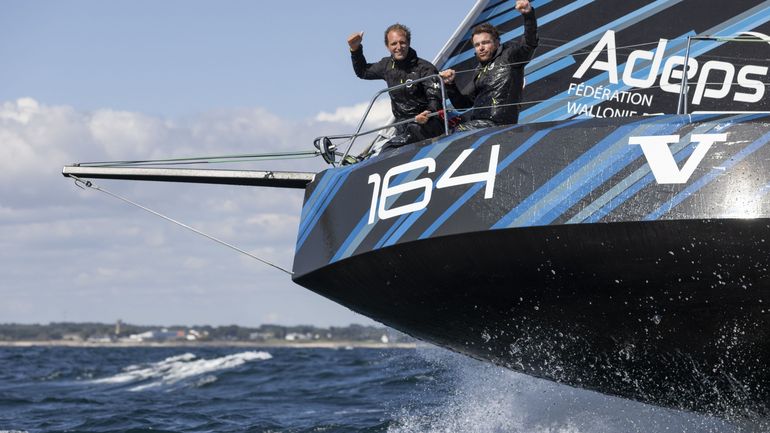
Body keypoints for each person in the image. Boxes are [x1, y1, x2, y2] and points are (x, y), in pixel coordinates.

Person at [440, 0, 538, 130]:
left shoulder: (509, 56)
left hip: (499, 125)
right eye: (477, 45)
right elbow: (462, 104)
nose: (481, 48)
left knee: (455, 134)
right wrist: (450, 85)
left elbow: (529, 44)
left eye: (485, 43)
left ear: (497, 43)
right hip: (479, 125)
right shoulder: (480, 71)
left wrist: (528, 15)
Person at [348, 24, 444, 153]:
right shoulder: (386, 65)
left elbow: (435, 99)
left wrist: (428, 113)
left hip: (427, 125)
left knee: (388, 150)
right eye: (394, 44)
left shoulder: (425, 68)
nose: (399, 47)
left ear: (409, 43)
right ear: (387, 47)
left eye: (402, 42)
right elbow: (363, 72)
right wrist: (355, 50)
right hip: (402, 128)